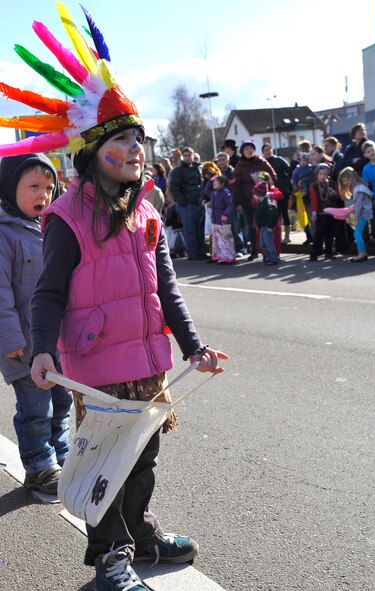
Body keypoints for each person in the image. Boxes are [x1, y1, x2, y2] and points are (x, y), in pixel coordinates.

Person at [0, 5, 229, 590]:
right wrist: (43, 351)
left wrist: (193, 345)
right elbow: (47, 294)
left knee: (144, 461)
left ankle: (142, 537)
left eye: (140, 138)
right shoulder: (65, 217)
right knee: (108, 468)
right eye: (124, 138)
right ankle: (110, 559)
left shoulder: (148, 211)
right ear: (94, 148)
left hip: (148, 365)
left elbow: (167, 290)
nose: (137, 148)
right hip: (98, 370)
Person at [0, 153, 72, 495]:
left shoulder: (53, 229)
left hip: (56, 341)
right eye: (33, 187)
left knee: (63, 401)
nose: (43, 194)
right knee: (35, 408)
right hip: (22, 344)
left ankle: (61, 453)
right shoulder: (4, 234)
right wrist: (8, 338)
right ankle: (39, 464)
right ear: (9, 188)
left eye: (48, 187)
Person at [233, 139, 277, 261]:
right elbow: (236, 185)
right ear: (242, 151)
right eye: (247, 149)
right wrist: (238, 203)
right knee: (252, 226)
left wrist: (263, 180)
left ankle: (269, 251)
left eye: (251, 148)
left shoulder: (261, 161)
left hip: (263, 199)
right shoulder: (239, 165)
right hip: (247, 200)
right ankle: (254, 250)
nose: (250, 150)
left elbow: (272, 175)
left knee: (265, 224)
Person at [170, 146, 207, 260]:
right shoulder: (177, 171)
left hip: (199, 203)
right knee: (189, 230)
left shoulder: (199, 168)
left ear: (193, 155)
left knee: (200, 230)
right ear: (182, 157)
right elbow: (174, 187)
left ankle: (202, 252)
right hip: (186, 205)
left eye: (189, 155)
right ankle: (192, 253)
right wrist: (182, 201)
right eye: (185, 155)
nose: (187, 157)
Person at [338, 167, 373, 262]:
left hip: (363, 214)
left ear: (351, 177)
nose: (345, 183)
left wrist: (356, 219)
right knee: (357, 233)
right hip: (364, 213)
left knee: (357, 233)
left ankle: (362, 253)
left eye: (345, 180)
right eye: (343, 181)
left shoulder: (358, 189)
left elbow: (358, 206)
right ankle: (363, 253)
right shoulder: (360, 186)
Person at [309, 163, 342, 261]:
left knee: (330, 233)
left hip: (331, 212)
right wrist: (314, 211)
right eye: (321, 174)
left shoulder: (332, 184)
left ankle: (329, 252)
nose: (323, 176)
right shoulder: (314, 186)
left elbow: (338, 196)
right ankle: (315, 252)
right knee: (319, 233)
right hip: (321, 212)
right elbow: (314, 200)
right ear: (317, 175)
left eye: (325, 174)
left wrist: (334, 193)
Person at [261, 143, 292, 243]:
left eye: (269, 149)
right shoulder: (262, 163)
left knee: (284, 213)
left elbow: (289, 171)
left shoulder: (279, 160)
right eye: (265, 150)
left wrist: (286, 183)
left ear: (272, 150)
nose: (268, 151)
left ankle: (287, 236)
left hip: (282, 191)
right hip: (270, 192)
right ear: (263, 152)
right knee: (275, 214)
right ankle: (277, 236)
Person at [204, 174, 235, 264]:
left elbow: (230, 205)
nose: (214, 183)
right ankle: (218, 255)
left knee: (226, 239)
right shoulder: (214, 193)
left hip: (224, 221)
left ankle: (228, 257)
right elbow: (206, 190)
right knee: (217, 239)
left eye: (216, 182)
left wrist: (226, 214)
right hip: (215, 220)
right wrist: (210, 181)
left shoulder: (225, 193)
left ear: (222, 184)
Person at [254, 181, 280, 265]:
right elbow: (258, 216)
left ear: (259, 194)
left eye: (255, 194)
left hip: (267, 227)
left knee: (268, 243)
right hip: (262, 226)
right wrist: (258, 225)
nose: (254, 196)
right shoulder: (260, 203)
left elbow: (274, 216)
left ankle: (273, 259)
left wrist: (271, 226)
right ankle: (267, 258)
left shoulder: (268, 204)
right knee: (262, 244)